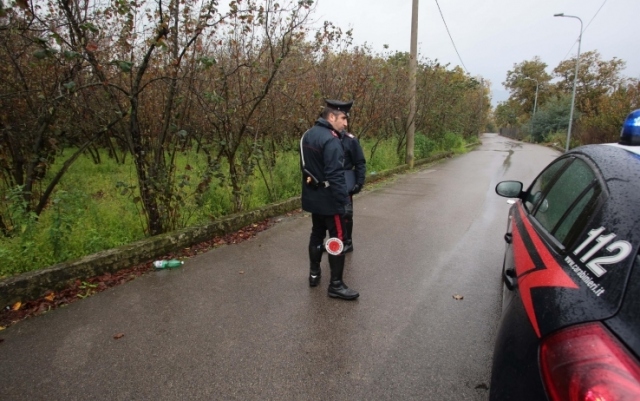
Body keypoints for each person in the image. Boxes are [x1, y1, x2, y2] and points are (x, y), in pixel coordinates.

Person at [300, 99, 359, 300]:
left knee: (316, 234)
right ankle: (335, 285)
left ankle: (314, 274)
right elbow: (336, 175)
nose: (345, 124)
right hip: (330, 201)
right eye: (343, 118)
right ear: (331, 116)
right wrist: (344, 203)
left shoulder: (307, 135)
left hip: (313, 197)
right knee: (337, 238)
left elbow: (305, 168)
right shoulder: (332, 140)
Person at [341, 128, 366, 253]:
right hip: (330, 182)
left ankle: (347, 242)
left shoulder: (350, 140)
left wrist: (359, 182)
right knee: (330, 214)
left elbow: (360, 162)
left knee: (346, 213)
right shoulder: (328, 138)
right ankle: (335, 241)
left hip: (346, 181)